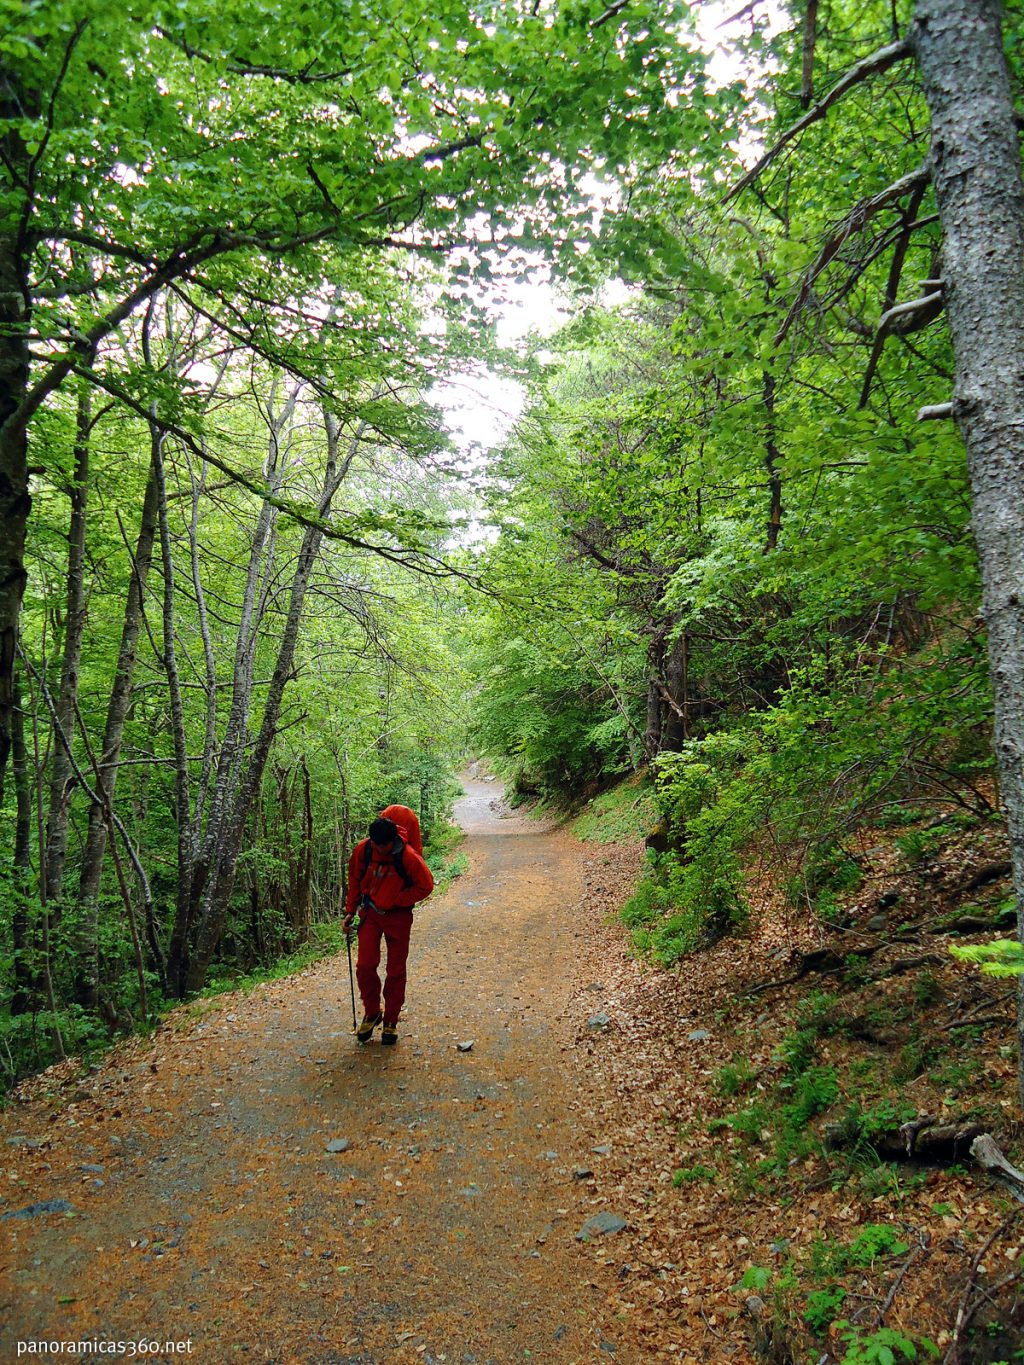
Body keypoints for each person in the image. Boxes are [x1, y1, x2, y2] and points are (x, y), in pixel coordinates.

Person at [343, 811, 434, 1045]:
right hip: (370, 914)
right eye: (377, 845)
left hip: (399, 918)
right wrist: (350, 911)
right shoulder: (363, 851)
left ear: (393, 840)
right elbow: (354, 879)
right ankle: (372, 1012)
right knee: (365, 965)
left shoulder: (409, 857)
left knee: (395, 970)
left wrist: (397, 899)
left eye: (384, 845)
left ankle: (391, 1020)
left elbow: (426, 886)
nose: (380, 849)